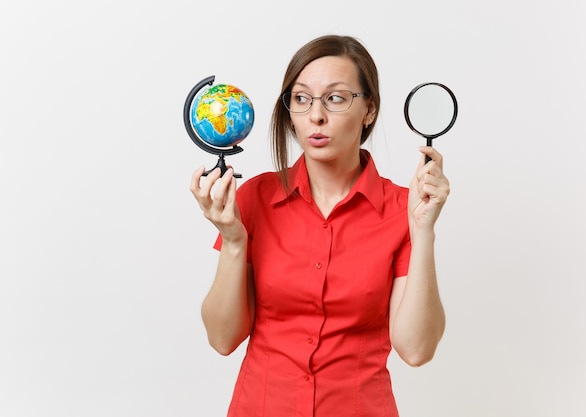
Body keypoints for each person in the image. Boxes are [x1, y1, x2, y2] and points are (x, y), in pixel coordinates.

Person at [189, 34, 450, 417]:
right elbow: (222, 338)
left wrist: (423, 231)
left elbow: (416, 350)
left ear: (369, 111)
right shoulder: (254, 199)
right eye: (301, 99)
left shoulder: (401, 210)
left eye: (336, 98)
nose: (316, 116)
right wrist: (233, 242)